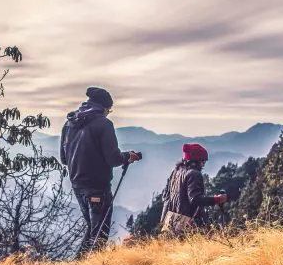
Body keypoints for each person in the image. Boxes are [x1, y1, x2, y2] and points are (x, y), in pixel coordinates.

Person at [60, 87, 142, 255]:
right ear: (104, 107)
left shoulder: (69, 123)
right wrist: (128, 157)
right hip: (97, 186)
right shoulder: (104, 124)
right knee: (100, 233)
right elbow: (112, 159)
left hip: (77, 185)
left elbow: (63, 159)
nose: (108, 113)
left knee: (92, 230)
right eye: (109, 110)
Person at [158, 143, 227, 236]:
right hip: (186, 225)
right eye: (203, 161)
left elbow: (165, 196)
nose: (203, 165)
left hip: (169, 222)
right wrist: (217, 199)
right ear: (197, 161)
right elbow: (195, 199)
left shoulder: (175, 172)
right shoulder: (194, 174)